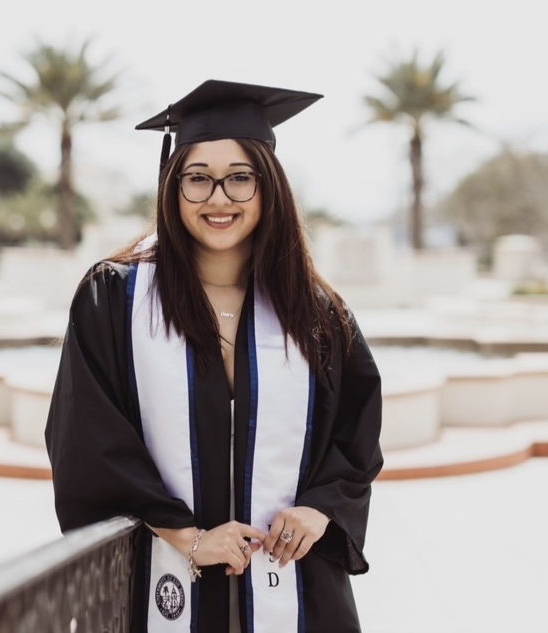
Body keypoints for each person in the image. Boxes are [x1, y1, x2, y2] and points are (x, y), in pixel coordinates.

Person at [45, 79, 383, 633]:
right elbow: (85, 436)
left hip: (294, 587)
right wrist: (188, 536)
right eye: (197, 179)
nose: (218, 198)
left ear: (268, 187)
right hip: (163, 578)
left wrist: (322, 507)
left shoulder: (314, 311)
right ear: (171, 188)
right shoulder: (116, 298)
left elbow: (357, 431)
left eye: (239, 179)